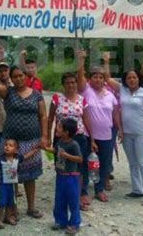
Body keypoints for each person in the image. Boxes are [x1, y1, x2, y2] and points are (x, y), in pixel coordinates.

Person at [0, 64, 48, 219]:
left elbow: (43, 116)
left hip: (31, 141)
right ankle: (12, 209)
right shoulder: (8, 93)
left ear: (26, 76)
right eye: (15, 76)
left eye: (21, 75)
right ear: (11, 79)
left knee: (30, 176)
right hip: (10, 142)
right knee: (10, 176)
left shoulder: (37, 95)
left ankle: (31, 207)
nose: (18, 79)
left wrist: (44, 136)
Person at [103, 52, 143, 206]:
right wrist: (106, 61)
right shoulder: (122, 90)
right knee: (132, 162)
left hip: (141, 133)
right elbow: (107, 78)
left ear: (139, 79)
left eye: (134, 77)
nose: (132, 80)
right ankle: (137, 189)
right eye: (129, 78)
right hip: (126, 133)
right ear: (125, 80)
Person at [75, 52, 121, 203]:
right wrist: (81, 59)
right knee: (85, 164)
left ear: (104, 80)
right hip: (88, 135)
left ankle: (99, 190)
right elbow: (79, 76)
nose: (98, 79)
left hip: (106, 135)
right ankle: (83, 192)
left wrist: (120, 129)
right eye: (95, 76)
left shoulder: (110, 95)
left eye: (101, 77)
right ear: (90, 78)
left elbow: (115, 115)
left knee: (103, 164)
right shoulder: (85, 90)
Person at [48, 72, 91, 209]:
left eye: (73, 82)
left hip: (79, 138)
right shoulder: (57, 98)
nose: (71, 85)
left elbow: (86, 119)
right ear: (63, 84)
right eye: (68, 82)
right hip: (61, 139)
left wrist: (93, 139)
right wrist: (47, 136)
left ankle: (78, 196)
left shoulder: (82, 99)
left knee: (79, 168)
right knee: (61, 167)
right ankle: (64, 195)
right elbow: (50, 119)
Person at [46, 119, 82, 235]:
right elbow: (55, 151)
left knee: (72, 200)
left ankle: (74, 223)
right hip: (60, 175)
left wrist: (67, 155)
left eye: (60, 127)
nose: (57, 128)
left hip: (71, 176)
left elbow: (80, 159)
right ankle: (60, 220)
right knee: (60, 199)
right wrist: (44, 148)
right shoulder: (60, 142)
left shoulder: (74, 144)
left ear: (66, 132)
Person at [0, 138, 38, 229]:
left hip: (12, 185)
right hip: (2, 185)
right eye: (6, 145)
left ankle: (8, 217)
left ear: (16, 149)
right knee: (1, 202)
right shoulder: (0, 159)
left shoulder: (17, 157)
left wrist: (34, 150)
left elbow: (26, 156)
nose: (7, 147)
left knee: (10, 201)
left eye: (10, 145)